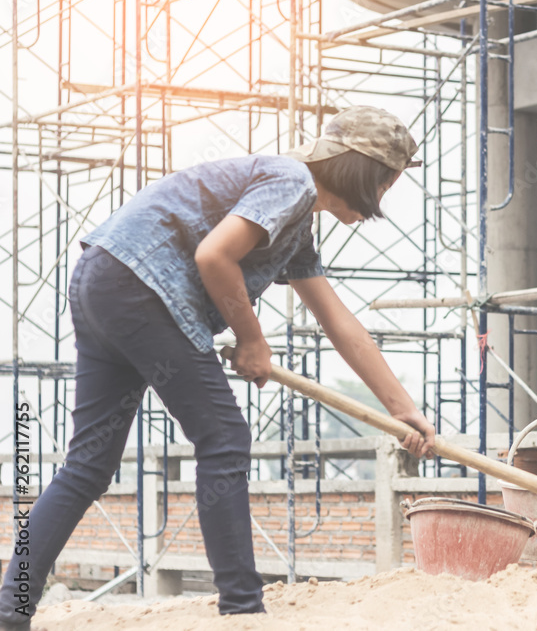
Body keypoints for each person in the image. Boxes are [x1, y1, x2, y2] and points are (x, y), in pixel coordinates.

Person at [0, 106, 436, 630]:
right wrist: (253, 340)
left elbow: (338, 322)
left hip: (104, 279)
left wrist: (403, 410)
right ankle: (242, 609)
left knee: (89, 464)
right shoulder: (292, 181)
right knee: (224, 437)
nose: (383, 198)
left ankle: (10, 611)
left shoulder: (295, 225)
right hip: (141, 289)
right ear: (366, 171)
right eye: (388, 183)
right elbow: (214, 256)